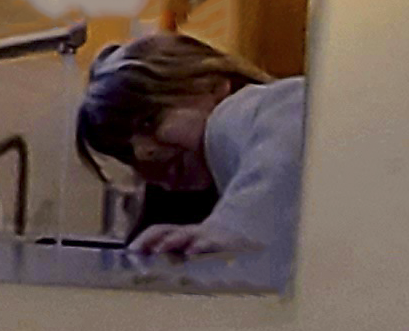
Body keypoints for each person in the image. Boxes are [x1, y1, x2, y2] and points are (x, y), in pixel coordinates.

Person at [74, 31, 307, 272]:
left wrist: (233, 226)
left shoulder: (247, 109)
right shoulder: (217, 176)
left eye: (149, 122)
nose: (143, 154)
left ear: (213, 86)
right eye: (126, 153)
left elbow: (293, 120)